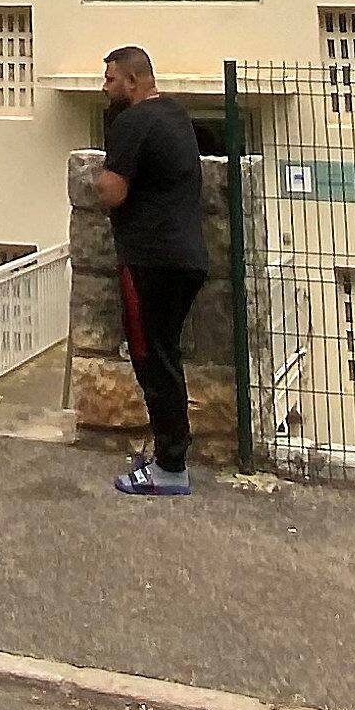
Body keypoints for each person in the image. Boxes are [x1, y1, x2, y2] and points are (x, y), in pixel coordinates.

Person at [97, 44, 207, 497]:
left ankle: (170, 466)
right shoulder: (176, 115)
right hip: (187, 257)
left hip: (150, 260)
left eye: (109, 80)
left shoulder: (132, 121)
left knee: (151, 360)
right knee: (166, 356)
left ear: (133, 81)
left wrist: (99, 175)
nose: (104, 87)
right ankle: (170, 455)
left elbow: (111, 192)